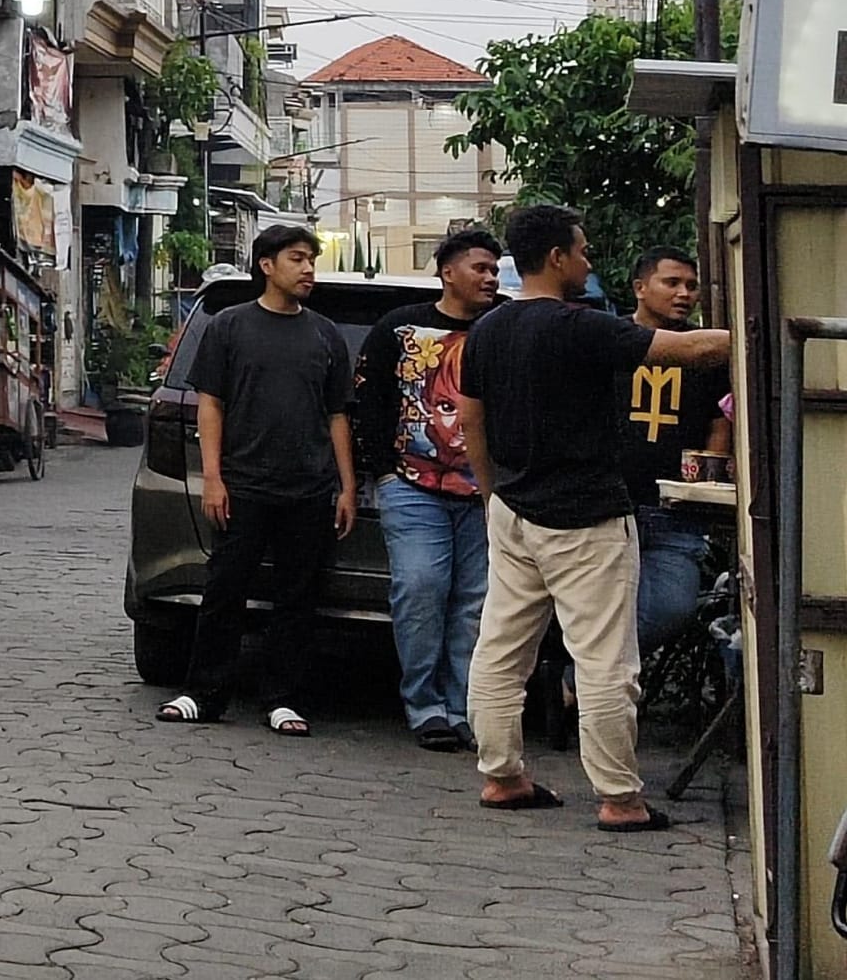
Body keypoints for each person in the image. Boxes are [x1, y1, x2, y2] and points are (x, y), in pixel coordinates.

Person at [458, 205, 730, 832]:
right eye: (581, 252)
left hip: (513, 511)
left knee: (501, 649)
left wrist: (494, 493)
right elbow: (684, 350)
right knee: (605, 660)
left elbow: (472, 420)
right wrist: (756, 327)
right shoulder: (580, 326)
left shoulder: (489, 331)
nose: (588, 263)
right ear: (556, 257)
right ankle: (619, 797)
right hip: (586, 518)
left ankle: (501, 776)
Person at [157, 224, 359, 736]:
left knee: (297, 598)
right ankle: (203, 693)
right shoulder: (229, 326)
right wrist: (213, 477)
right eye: (297, 259)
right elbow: (211, 405)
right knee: (224, 591)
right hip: (244, 486)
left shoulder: (325, 334)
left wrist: (347, 486)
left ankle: (282, 699)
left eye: (312, 259)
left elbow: (338, 415)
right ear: (266, 265)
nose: (309, 269)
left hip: (310, 489)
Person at [353, 229, 503, 753]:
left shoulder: (503, 327)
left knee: (475, 603)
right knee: (420, 589)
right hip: (412, 488)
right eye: (480, 267)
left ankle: (464, 708)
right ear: (447, 272)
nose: (490, 277)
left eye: (495, 269)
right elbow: (367, 402)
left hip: (487, 493)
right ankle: (424, 706)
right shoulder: (399, 328)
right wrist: (384, 472)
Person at [618, 247, 731, 657]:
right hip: (613, 504)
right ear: (640, 288)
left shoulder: (710, 351)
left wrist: (704, 485)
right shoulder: (610, 340)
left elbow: (720, 422)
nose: (684, 294)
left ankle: (578, 681)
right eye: (672, 283)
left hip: (677, 511)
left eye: (692, 286)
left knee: (671, 608)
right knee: (597, 610)